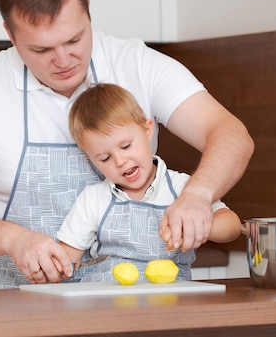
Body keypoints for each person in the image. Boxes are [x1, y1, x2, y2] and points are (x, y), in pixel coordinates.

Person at [0, 0, 254, 289]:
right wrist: (14, 240)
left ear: (89, 11)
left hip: (134, 306)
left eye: (74, 39)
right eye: (41, 50)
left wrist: (198, 195)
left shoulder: (137, 64)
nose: (64, 60)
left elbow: (230, 134)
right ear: (10, 34)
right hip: (15, 303)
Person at [57, 83, 241, 282]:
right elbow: (66, 259)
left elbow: (232, 225)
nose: (120, 161)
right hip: (107, 303)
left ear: (147, 130)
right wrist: (51, 265)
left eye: (126, 146)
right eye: (104, 158)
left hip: (172, 303)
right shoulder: (93, 199)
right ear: (90, 159)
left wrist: (198, 226)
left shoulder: (185, 189)